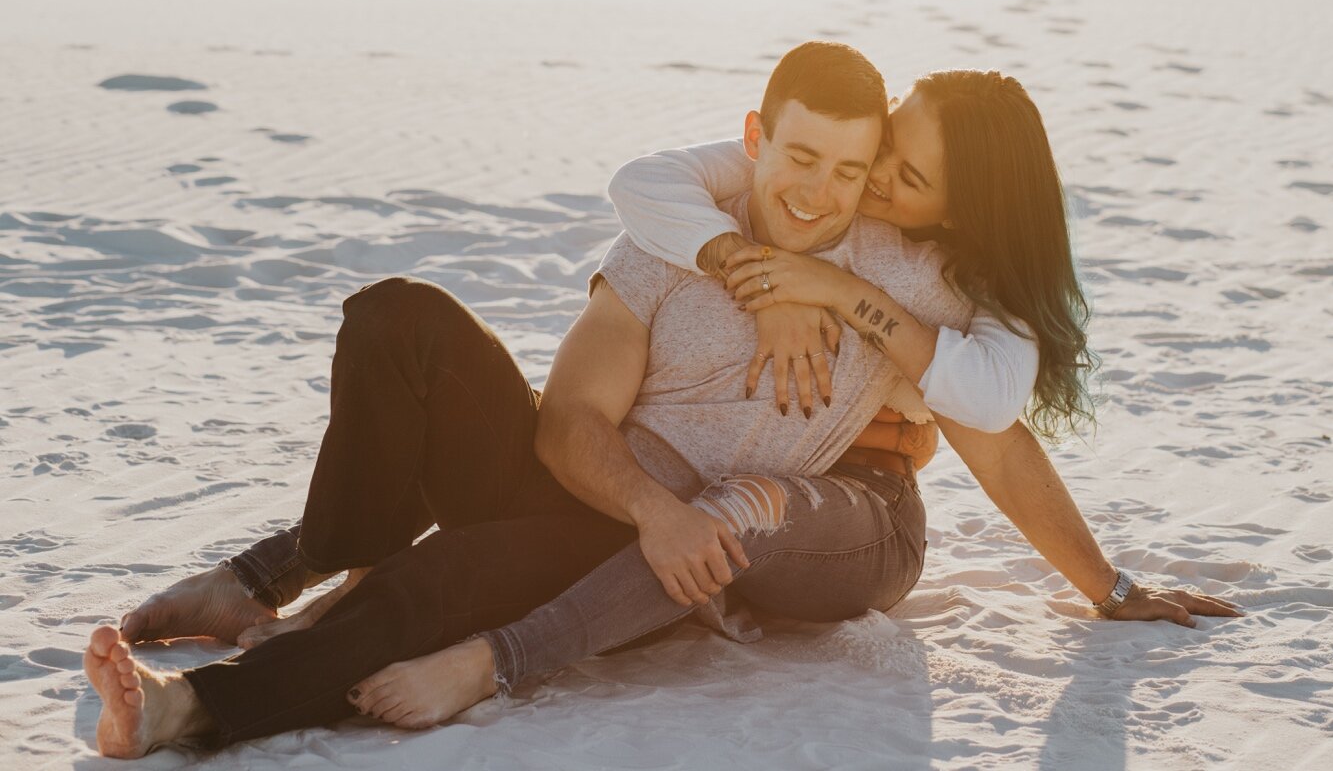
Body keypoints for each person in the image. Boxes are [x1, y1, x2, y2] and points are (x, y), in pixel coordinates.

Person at [84, 41, 993, 756]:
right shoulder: (674, 239)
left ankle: (190, 711)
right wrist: (651, 505)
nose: (819, 192)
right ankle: (338, 574)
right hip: (602, 487)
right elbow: (565, 426)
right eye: (800, 156)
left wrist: (1102, 584)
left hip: (630, 563)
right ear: (755, 139)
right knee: (397, 316)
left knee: (441, 581)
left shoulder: (894, 274)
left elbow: (1007, 385)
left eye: (848, 170)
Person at [330, 67, 1240, 729]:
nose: (871, 175)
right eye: (887, 140)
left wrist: (1107, 587)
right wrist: (760, 275)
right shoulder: (832, 180)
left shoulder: (946, 284)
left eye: (904, 177)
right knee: (590, 474)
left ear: (959, 212)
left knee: (716, 513)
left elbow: (997, 430)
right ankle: (303, 574)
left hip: (847, 509)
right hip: (738, 472)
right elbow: (648, 183)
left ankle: (494, 660)